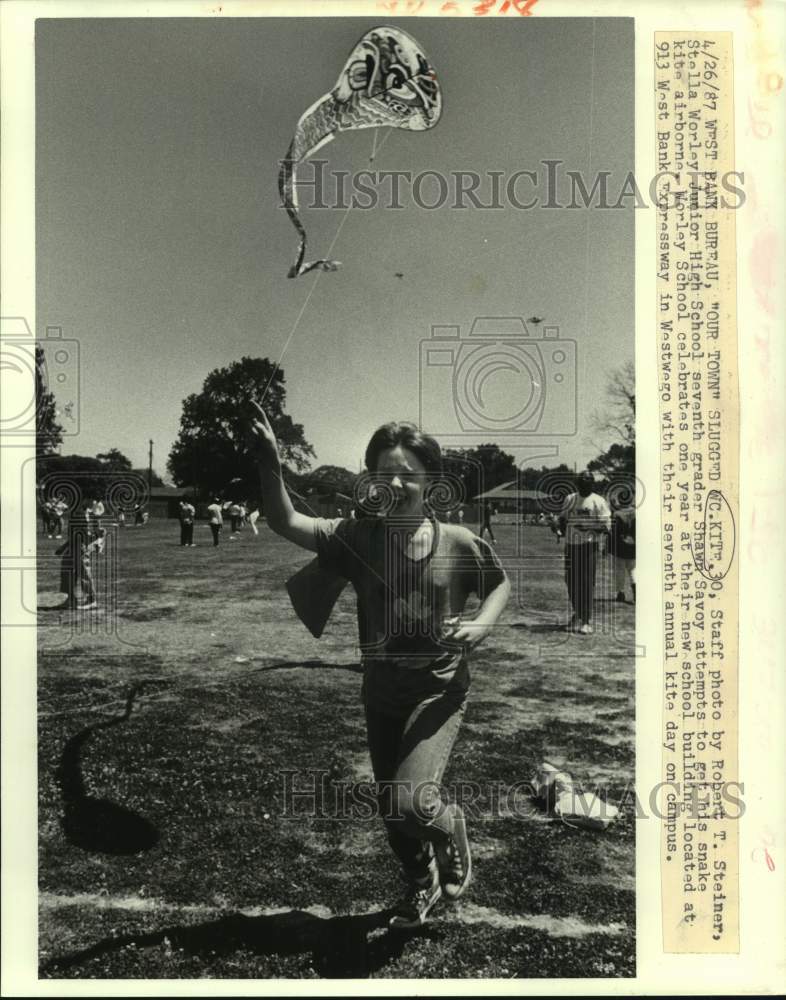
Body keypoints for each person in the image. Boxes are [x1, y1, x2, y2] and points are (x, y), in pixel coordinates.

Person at [248, 402, 510, 930]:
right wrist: (271, 463)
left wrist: (481, 625)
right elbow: (284, 519)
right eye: (384, 473)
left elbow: (499, 583)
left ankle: (450, 823)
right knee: (393, 815)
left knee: (414, 804)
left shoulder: (458, 542)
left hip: (438, 692)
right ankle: (421, 886)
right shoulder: (357, 537)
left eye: (407, 474)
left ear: (430, 482)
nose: (395, 482)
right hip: (382, 694)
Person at [559, 472, 611, 635]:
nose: (583, 485)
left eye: (587, 482)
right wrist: (560, 529)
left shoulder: (598, 501)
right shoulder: (570, 499)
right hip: (572, 545)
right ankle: (578, 614)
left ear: (591, 484)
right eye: (581, 482)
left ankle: (586, 620)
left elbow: (606, 527)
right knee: (571, 581)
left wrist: (587, 527)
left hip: (589, 546)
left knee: (586, 582)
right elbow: (563, 518)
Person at [55, 516, 106, 610]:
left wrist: (99, 539)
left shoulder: (88, 513)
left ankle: (91, 600)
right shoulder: (76, 513)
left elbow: (93, 534)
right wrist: (63, 547)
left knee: (84, 574)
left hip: (81, 549)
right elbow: (75, 535)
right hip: (72, 548)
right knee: (67, 573)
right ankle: (70, 599)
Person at [610, 498, 636, 603]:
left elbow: (613, 531)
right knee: (633, 569)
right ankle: (635, 589)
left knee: (619, 570)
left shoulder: (616, 514)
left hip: (619, 545)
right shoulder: (636, 513)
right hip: (633, 545)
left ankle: (620, 593)